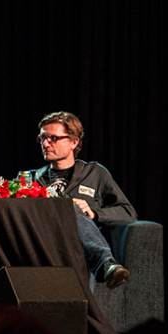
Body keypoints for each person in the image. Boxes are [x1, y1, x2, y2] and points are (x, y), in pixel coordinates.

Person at [27, 111, 133, 288]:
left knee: (69, 206)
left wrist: (94, 213)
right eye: (42, 138)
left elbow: (128, 212)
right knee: (64, 205)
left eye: (53, 138)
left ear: (73, 142)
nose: (45, 144)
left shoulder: (95, 173)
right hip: (41, 245)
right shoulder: (31, 179)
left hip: (75, 251)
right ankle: (105, 263)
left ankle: (104, 263)